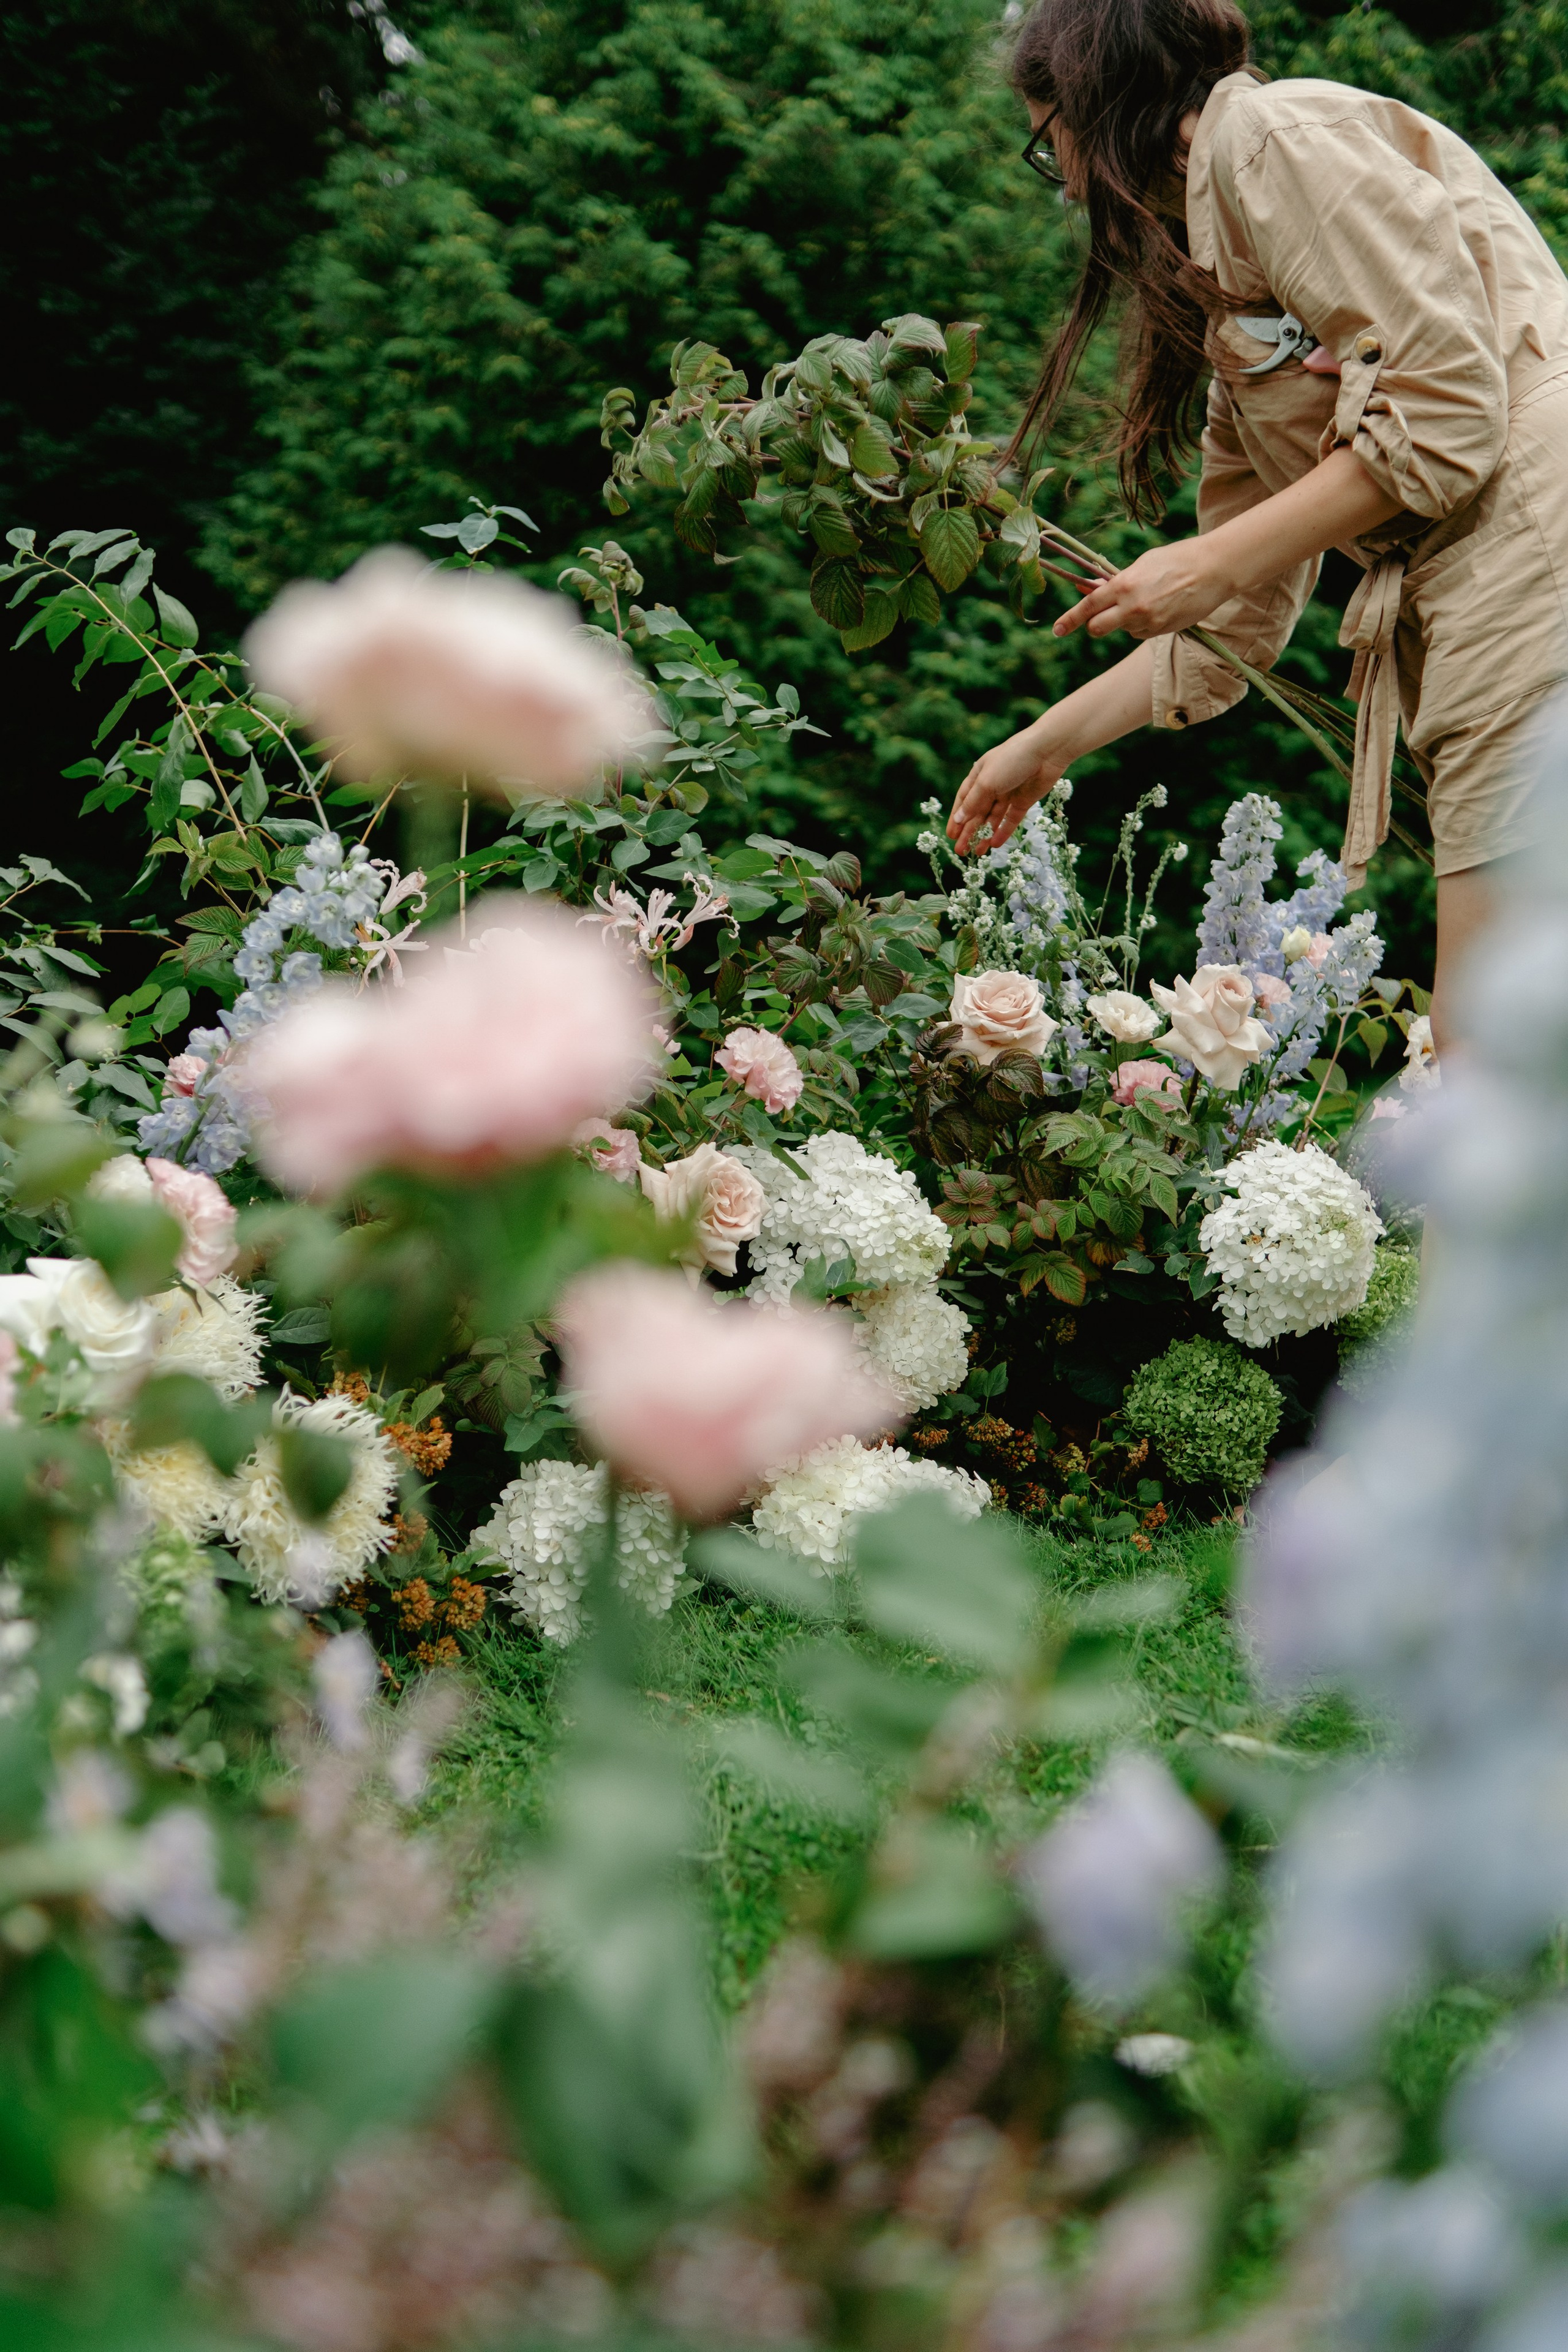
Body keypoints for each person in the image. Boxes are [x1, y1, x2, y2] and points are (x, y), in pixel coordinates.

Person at [946, 0, 1568, 1048]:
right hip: (1477, 598)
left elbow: (1452, 411)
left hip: (1530, 556)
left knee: (1495, 1053)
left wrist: (1205, 560)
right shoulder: (1235, 297)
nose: (1062, 180)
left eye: (1048, 140)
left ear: (1095, 106)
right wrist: (1045, 748)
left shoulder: (1275, 140)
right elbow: (1234, 628)